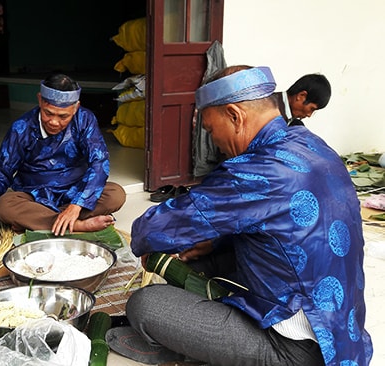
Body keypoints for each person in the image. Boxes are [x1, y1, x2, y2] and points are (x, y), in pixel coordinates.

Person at [123, 66, 371, 365]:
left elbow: (151, 230)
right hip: (342, 336)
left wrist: (156, 243)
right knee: (203, 259)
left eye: (211, 130)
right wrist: (213, 242)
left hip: (294, 351)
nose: (213, 141)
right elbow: (276, 224)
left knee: (146, 305)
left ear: (235, 116)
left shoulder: (254, 172)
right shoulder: (313, 145)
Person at [0, 73, 126, 236]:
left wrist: (77, 205)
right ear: (40, 100)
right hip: (34, 194)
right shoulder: (21, 127)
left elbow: (99, 162)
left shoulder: (85, 120)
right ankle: (77, 226)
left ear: (75, 107)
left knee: (115, 194)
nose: (54, 121)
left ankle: (42, 221)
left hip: (74, 190)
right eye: (48, 113)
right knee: (4, 205)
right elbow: (2, 172)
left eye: (63, 116)